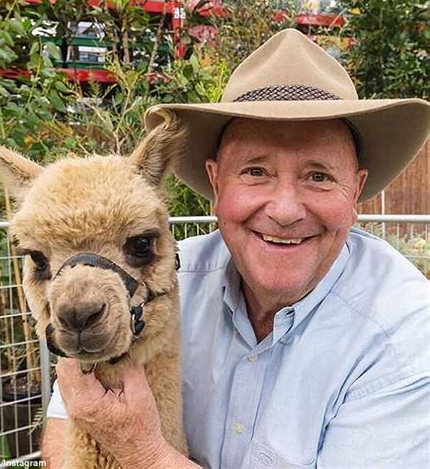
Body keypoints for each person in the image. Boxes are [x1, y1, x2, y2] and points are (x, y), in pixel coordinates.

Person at [42, 29, 429, 468]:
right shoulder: (158, 280)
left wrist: (142, 451)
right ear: (215, 183)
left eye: (318, 176)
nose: (284, 211)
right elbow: (67, 418)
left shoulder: (403, 340)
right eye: (255, 171)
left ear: (355, 193)